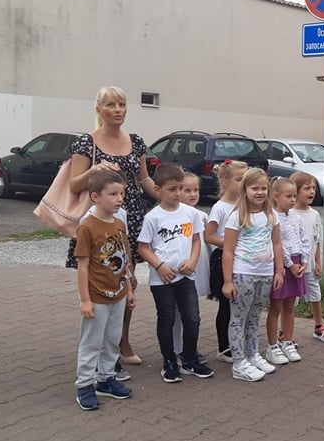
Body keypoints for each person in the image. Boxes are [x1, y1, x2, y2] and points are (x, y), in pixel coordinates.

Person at [67, 86, 158, 375]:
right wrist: (94, 171)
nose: (118, 110)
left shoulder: (136, 141)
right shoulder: (86, 143)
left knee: (128, 282)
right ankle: (99, 351)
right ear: (99, 109)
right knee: (103, 282)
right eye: (111, 105)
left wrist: (171, 195)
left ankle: (122, 342)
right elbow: (73, 184)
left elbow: (144, 180)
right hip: (100, 221)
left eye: (122, 104)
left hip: (129, 220)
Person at [137, 163, 214, 383]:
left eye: (180, 188)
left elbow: (197, 240)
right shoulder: (153, 217)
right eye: (172, 189)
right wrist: (159, 266)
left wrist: (192, 261)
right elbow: (143, 247)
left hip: (185, 277)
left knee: (192, 319)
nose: (178, 193)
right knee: (167, 318)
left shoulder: (190, 214)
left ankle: (189, 358)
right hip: (162, 280)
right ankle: (169, 361)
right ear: (158, 189)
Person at [74, 169, 136, 410]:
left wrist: (129, 290)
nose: (119, 198)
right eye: (113, 194)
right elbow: (82, 266)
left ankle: (106, 379)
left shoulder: (120, 223)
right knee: (92, 342)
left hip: (118, 294)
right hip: (97, 296)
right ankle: (85, 385)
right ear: (95, 197)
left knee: (112, 339)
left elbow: (125, 260)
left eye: (121, 193)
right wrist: (85, 300)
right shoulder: (87, 227)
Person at [221, 168, 285, 382]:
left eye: (263, 188)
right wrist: (228, 281)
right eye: (254, 188)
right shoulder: (237, 216)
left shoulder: (271, 214)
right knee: (239, 318)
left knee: (255, 317)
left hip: (265, 274)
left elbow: (277, 243)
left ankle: (253, 354)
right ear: (244, 189)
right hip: (243, 274)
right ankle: (239, 362)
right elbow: (228, 250)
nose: (259, 192)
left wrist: (279, 270)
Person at [205, 161, 248, 363]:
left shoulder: (245, 204)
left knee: (241, 303)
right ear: (225, 181)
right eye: (239, 180)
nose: (243, 184)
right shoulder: (220, 207)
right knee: (226, 305)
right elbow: (209, 236)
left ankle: (239, 341)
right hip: (223, 258)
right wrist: (228, 243)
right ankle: (224, 347)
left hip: (243, 259)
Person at [265, 178, 310, 366]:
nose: (293, 200)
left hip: (297, 264)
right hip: (281, 265)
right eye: (288, 196)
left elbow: (304, 238)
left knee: (290, 306)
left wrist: (305, 261)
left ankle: (287, 341)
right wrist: (289, 264)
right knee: (276, 306)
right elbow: (277, 244)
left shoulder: (296, 217)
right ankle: (272, 345)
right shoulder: (271, 217)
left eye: (294, 196)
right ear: (276, 196)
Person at [290, 171, 324, 343]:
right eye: (307, 188)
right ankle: (285, 332)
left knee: (315, 294)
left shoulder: (314, 214)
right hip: (293, 266)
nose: (312, 192)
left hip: (309, 265)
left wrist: (318, 262)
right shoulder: (289, 213)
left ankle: (319, 326)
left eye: (314, 188)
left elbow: (316, 240)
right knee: (290, 301)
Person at [172, 171, 210, 362]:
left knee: (191, 312)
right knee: (177, 313)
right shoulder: (174, 215)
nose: (193, 194)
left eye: (196, 190)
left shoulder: (201, 215)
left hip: (196, 267)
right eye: (187, 190)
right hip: (180, 269)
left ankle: (189, 348)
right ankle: (176, 349)